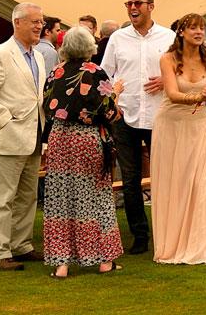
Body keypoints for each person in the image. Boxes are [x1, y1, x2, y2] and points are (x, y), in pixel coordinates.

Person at [39, 25, 125, 277]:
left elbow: (47, 105)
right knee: (95, 197)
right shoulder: (96, 72)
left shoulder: (55, 72)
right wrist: (117, 93)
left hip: (59, 137)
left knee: (60, 197)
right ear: (89, 48)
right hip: (87, 139)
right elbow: (109, 112)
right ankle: (103, 260)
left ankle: (62, 264)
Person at [0, 3, 49, 272]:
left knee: (28, 197)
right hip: (6, 139)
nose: (40, 26)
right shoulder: (0, 54)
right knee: (2, 198)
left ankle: (21, 246)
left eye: (41, 22)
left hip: (33, 138)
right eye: (34, 21)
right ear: (17, 22)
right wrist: (5, 120)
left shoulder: (37, 56)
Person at [100, 0, 177, 255]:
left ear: (151, 6)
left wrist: (167, 80)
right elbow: (103, 76)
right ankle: (140, 235)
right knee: (130, 180)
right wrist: (112, 99)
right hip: (126, 117)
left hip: (161, 117)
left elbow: (183, 73)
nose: (133, 8)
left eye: (138, 3)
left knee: (165, 177)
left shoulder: (169, 37)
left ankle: (169, 232)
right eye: (129, 4)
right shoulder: (118, 39)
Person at [152, 14, 206, 264]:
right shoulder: (168, 58)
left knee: (201, 182)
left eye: (202, 28)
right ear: (181, 32)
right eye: (193, 28)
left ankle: (201, 243)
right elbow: (172, 93)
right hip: (171, 124)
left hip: (199, 125)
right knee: (176, 181)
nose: (198, 32)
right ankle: (173, 244)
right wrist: (198, 97)